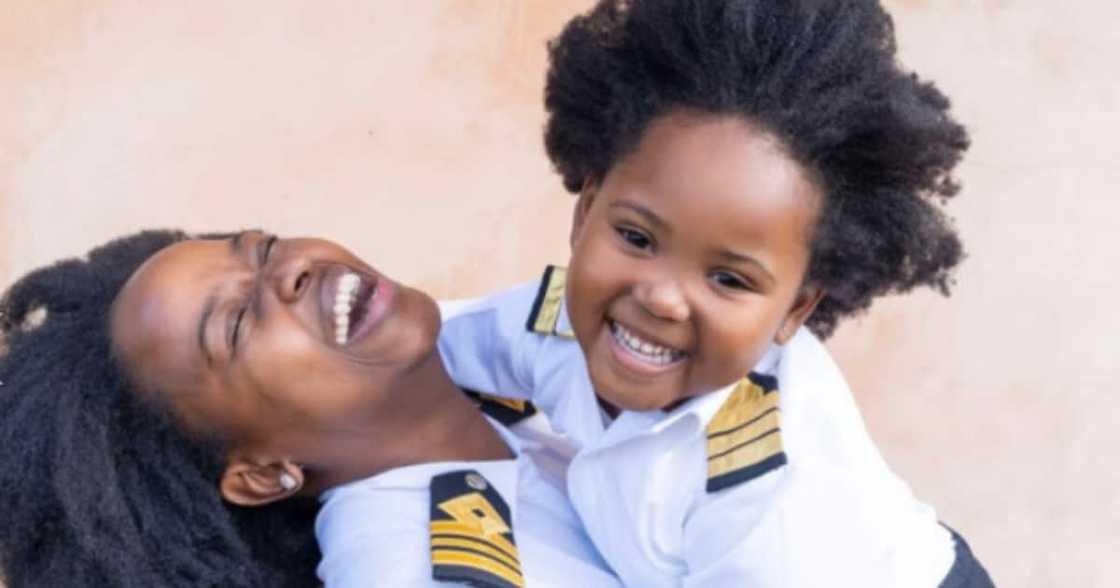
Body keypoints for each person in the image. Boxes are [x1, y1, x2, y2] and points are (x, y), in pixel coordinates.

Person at [438, 0, 994, 586]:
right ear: (586, 209)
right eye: (636, 237)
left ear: (796, 309)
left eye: (729, 279)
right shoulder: (557, 324)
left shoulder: (767, 503)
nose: (661, 298)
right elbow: (426, 343)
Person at [0, 229, 620, 587]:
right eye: (238, 323)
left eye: (262, 248)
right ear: (264, 473)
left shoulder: (463, 348)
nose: (291, 270)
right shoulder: (411, 568)